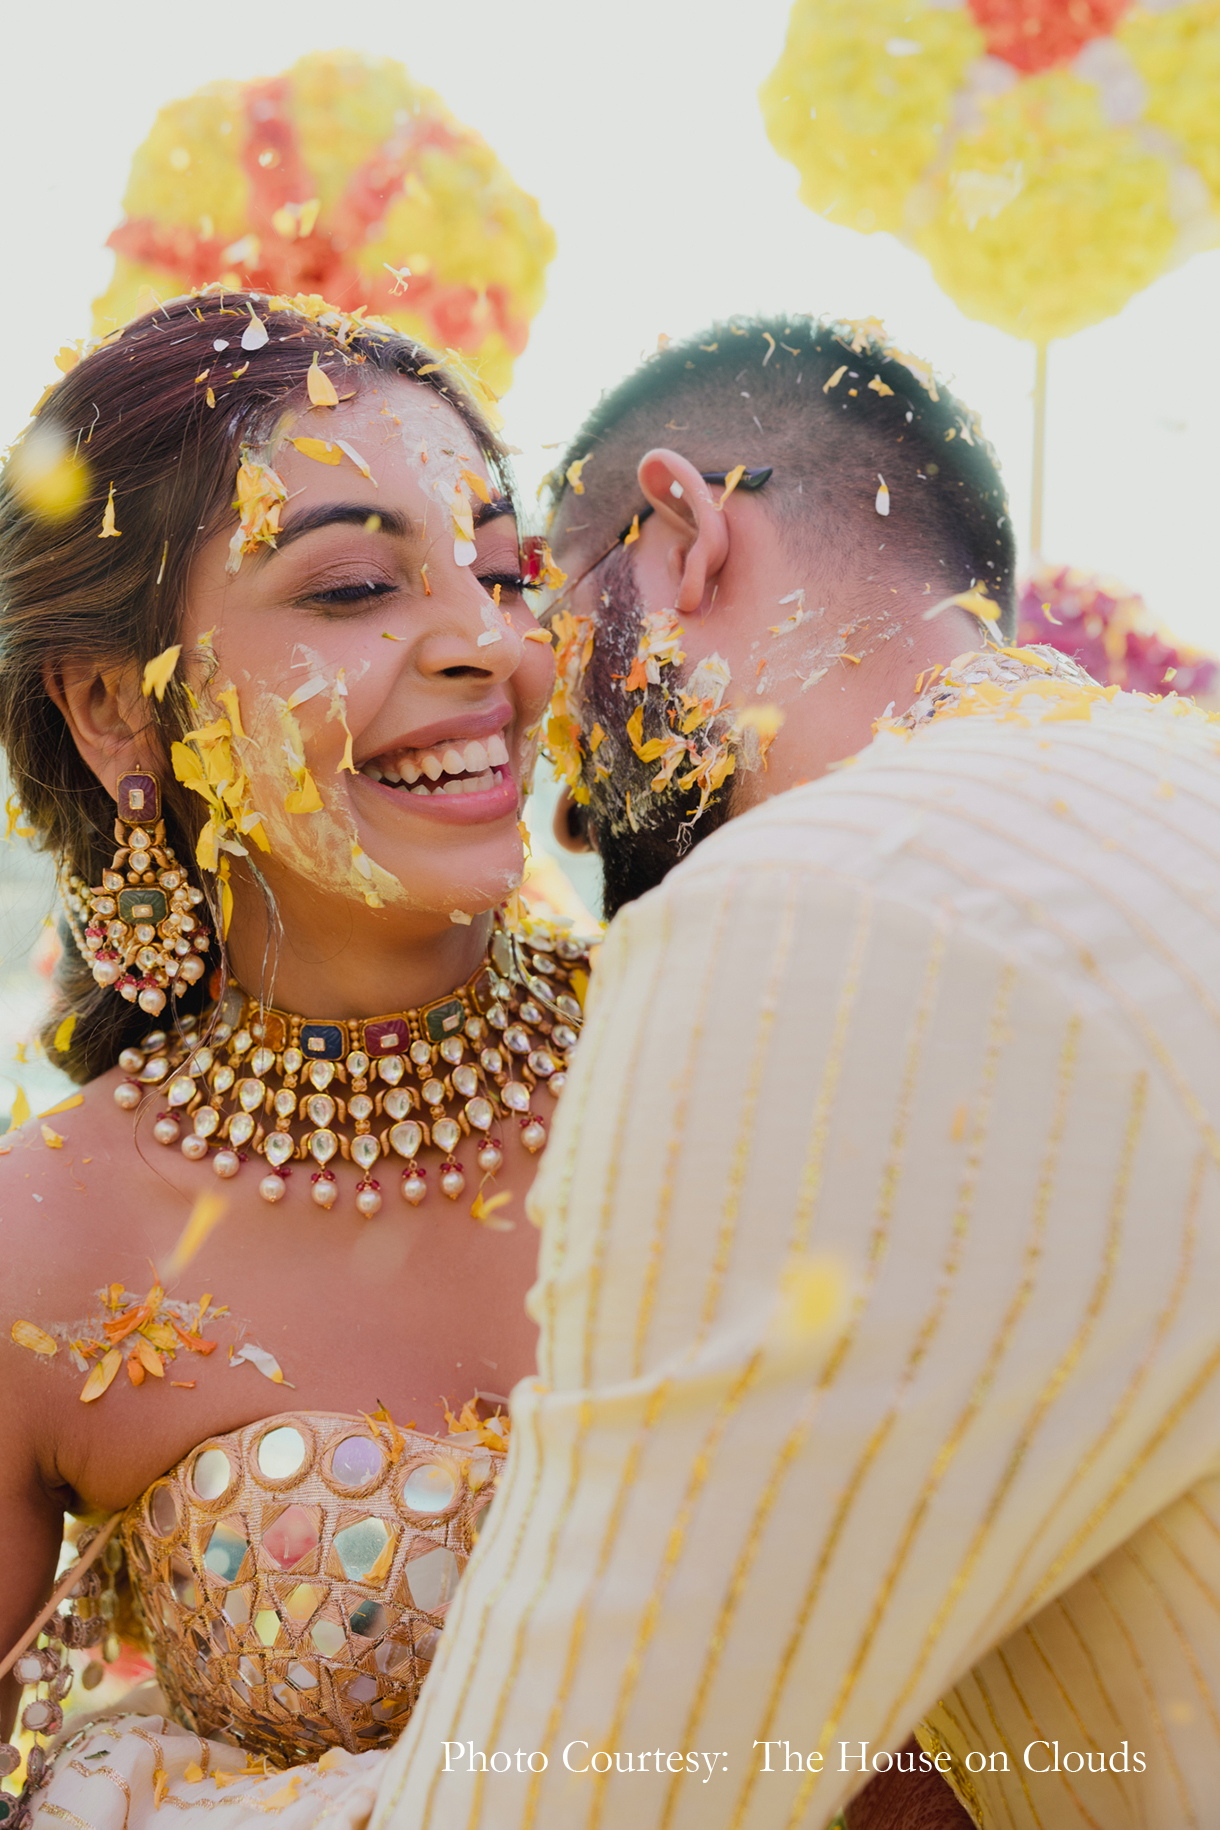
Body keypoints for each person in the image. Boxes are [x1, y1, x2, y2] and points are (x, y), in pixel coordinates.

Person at [361, 317, 1220, 1830]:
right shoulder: (1174, 788)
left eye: (552, 615)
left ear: (684, 529)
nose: (560, 798)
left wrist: (147, 1792)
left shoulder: (815, 910)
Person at [0, 287, 593, 1814]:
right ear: (112, 707)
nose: (489, 646)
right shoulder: (47, 1238)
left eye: (506, 571)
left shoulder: (723, 1071)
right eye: (350, 590)